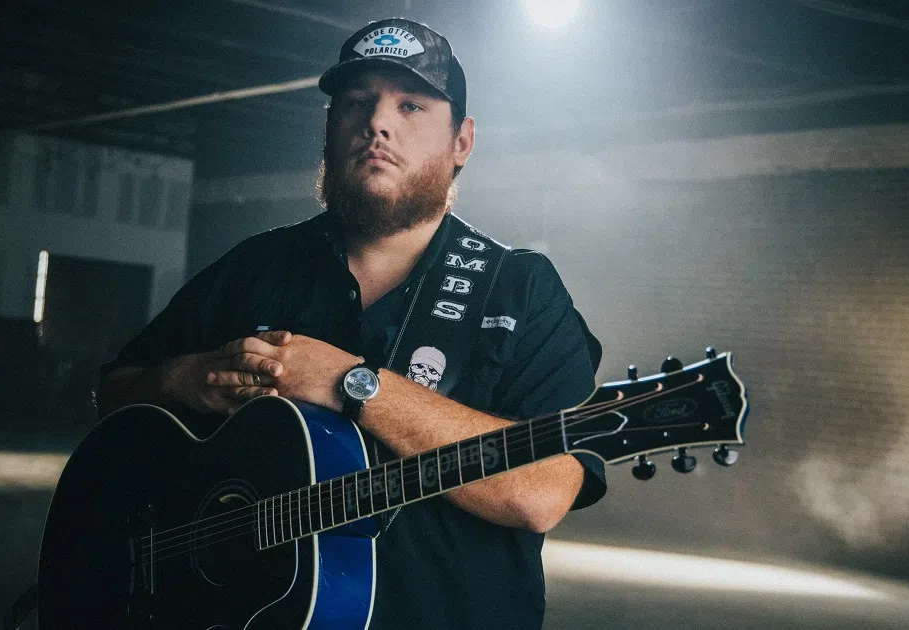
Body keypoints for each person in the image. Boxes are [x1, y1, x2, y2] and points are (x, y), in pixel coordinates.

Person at [99, 18, 606, 629]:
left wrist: (349, 382)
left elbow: (544, 490)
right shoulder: (256, 266)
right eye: (357, 103)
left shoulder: (521, 288)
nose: (377, 123)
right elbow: (112, 393)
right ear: (330, 127)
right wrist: (186, 379)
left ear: (462, 142)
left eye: (411, 105)